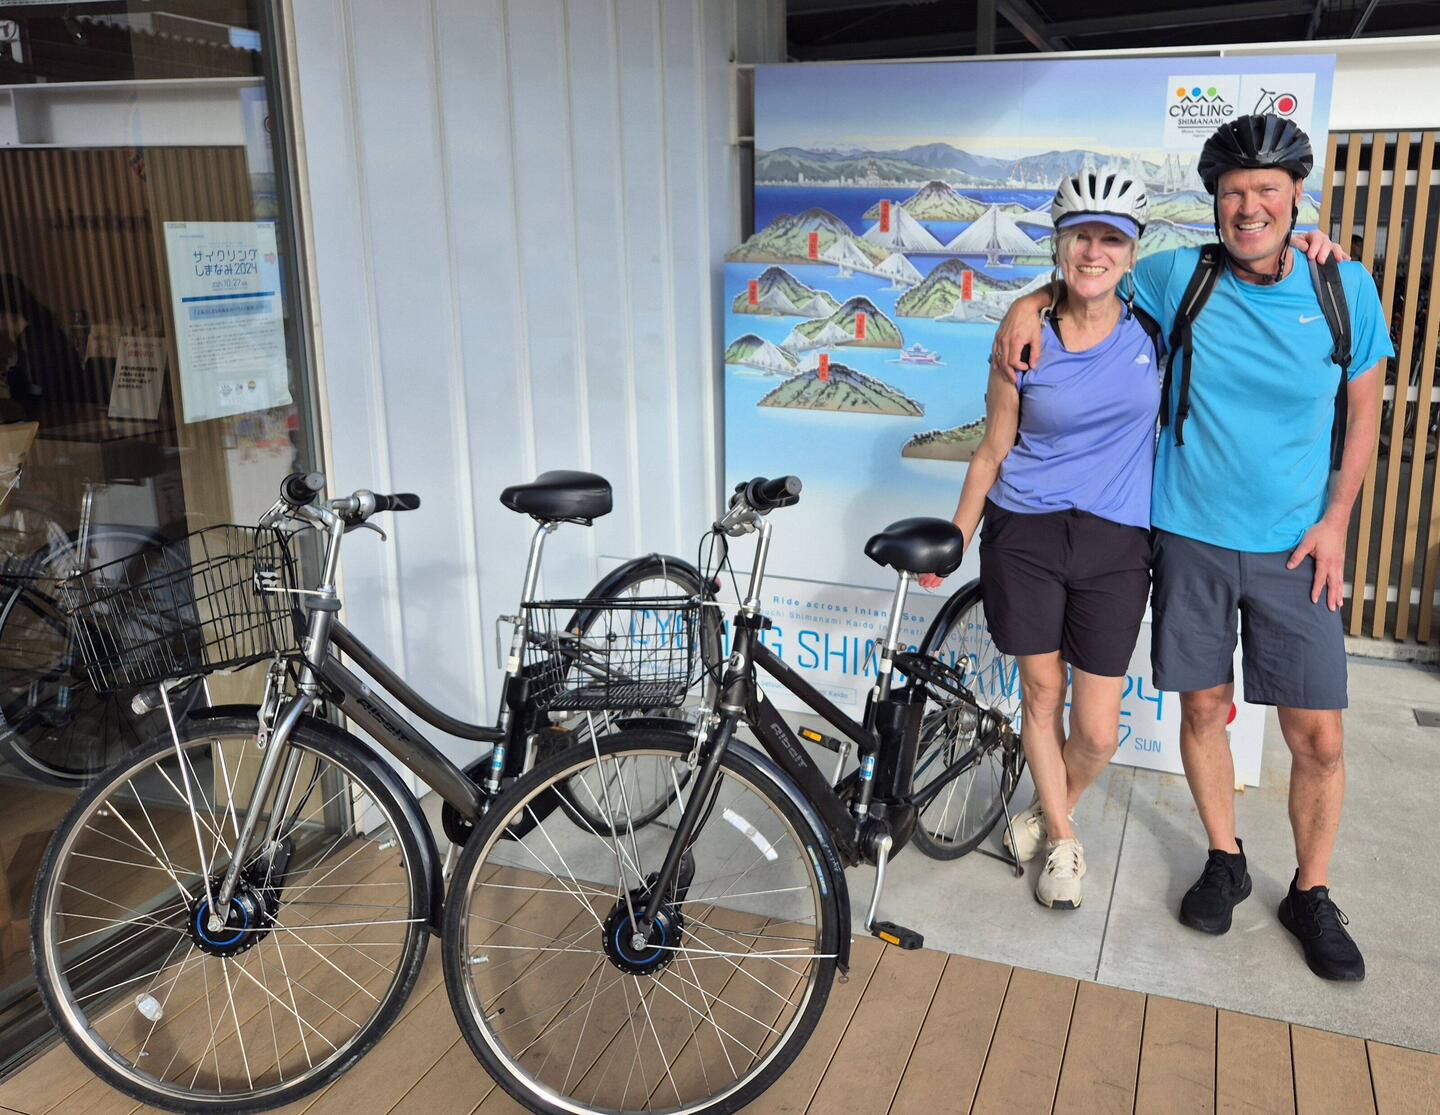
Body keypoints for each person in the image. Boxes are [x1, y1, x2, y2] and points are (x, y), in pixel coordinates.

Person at [993, 114, 1392, 980]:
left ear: (1296, 197)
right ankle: (1225, 856)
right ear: (1215, 202)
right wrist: (1023, 306)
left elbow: (1364, 414)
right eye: (1234, 192)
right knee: (1204, 711)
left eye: (1267, 191)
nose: (1249, 207)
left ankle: (1312, 891)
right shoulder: (1181, 275)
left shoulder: (1345, 287)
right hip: (1188, 537)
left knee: (1319, 737)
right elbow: (1086, 274)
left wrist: (1336, 520)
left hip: (1296, 547)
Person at [919, 170, 1159, 910]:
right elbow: (993, 449)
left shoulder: (1155, 326)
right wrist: (957, 534)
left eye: (1111, 238)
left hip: (1117, 542)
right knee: (1042, 692)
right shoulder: (1025, 340)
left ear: (1132, 251)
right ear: (1059, 245)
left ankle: (1041, 811)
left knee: (1097, 731)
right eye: (1081, 236)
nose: (1094, 251)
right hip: (1024, 532)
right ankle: (1062, 838)